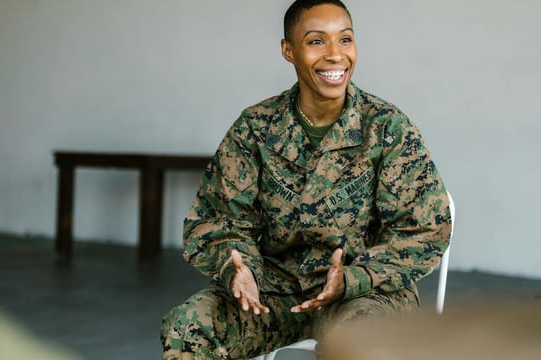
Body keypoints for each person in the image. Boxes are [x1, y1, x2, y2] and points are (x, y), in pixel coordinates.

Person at [160, 0, 451, 359]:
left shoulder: (387, 129)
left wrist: (353, 278)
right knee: (188, 327)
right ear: (288, 50)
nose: (335, 55)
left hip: (367, 294)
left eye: (345, 40)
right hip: (275, 292)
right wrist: (239, 268)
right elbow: (217, 220)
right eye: (316, 41)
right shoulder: (256, 128)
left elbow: (424, 229)